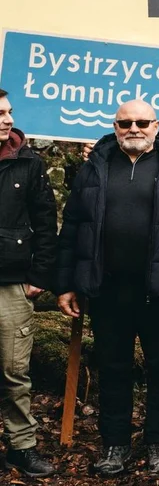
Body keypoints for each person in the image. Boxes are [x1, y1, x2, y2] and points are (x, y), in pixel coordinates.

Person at [55, 100, 159, 476]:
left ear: (156, 126)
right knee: (113, 367)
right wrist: (67, 284)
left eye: (141, 122)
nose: (133, 128)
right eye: (125, 123)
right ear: (115, 126)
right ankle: (115, 443)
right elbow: (73, 227)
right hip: (106, 290)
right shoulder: (93, 170)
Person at [0, 89, 58, 477]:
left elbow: (46, 221)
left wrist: (39, 276)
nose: (7, 119)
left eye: (8, 112)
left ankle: (21, 446)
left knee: (13, 369)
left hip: (11, 281)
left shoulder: (28, 162)